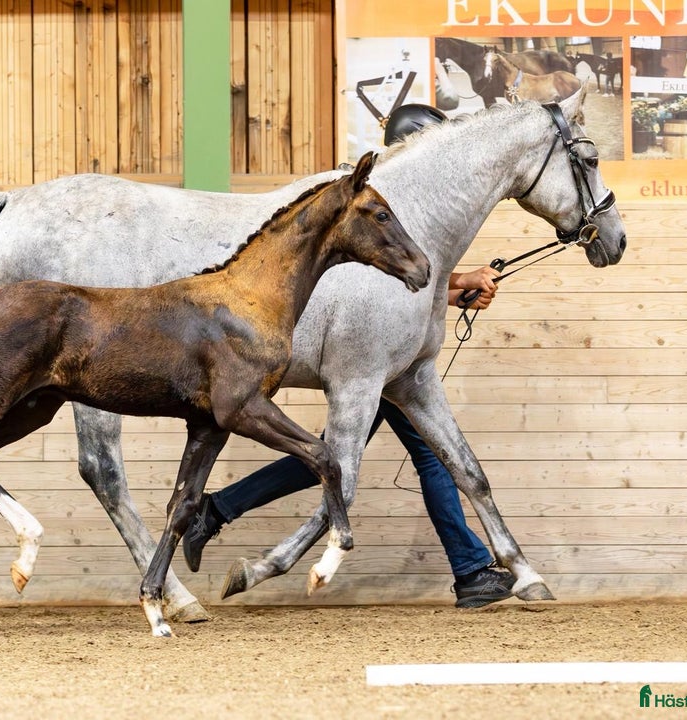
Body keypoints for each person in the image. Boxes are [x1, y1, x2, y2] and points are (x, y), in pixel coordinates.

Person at [182, 103, 516, 609]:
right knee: (388, 455)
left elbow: (398, 280)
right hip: (368, 354)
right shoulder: (356, 204)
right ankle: (470, 569)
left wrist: (455, 285)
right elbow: (368, 287)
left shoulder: (387, 207)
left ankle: (217, 511)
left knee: (349, 455)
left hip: (384, 354)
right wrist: (458, 284)